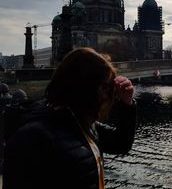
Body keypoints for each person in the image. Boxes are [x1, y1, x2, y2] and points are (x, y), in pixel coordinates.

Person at [3, 47, 137, 189]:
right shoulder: (33, 137)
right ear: (84, 87)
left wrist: (127, 104)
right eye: (104, 87)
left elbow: (121, 143)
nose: (108, 96)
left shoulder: (82, 123)